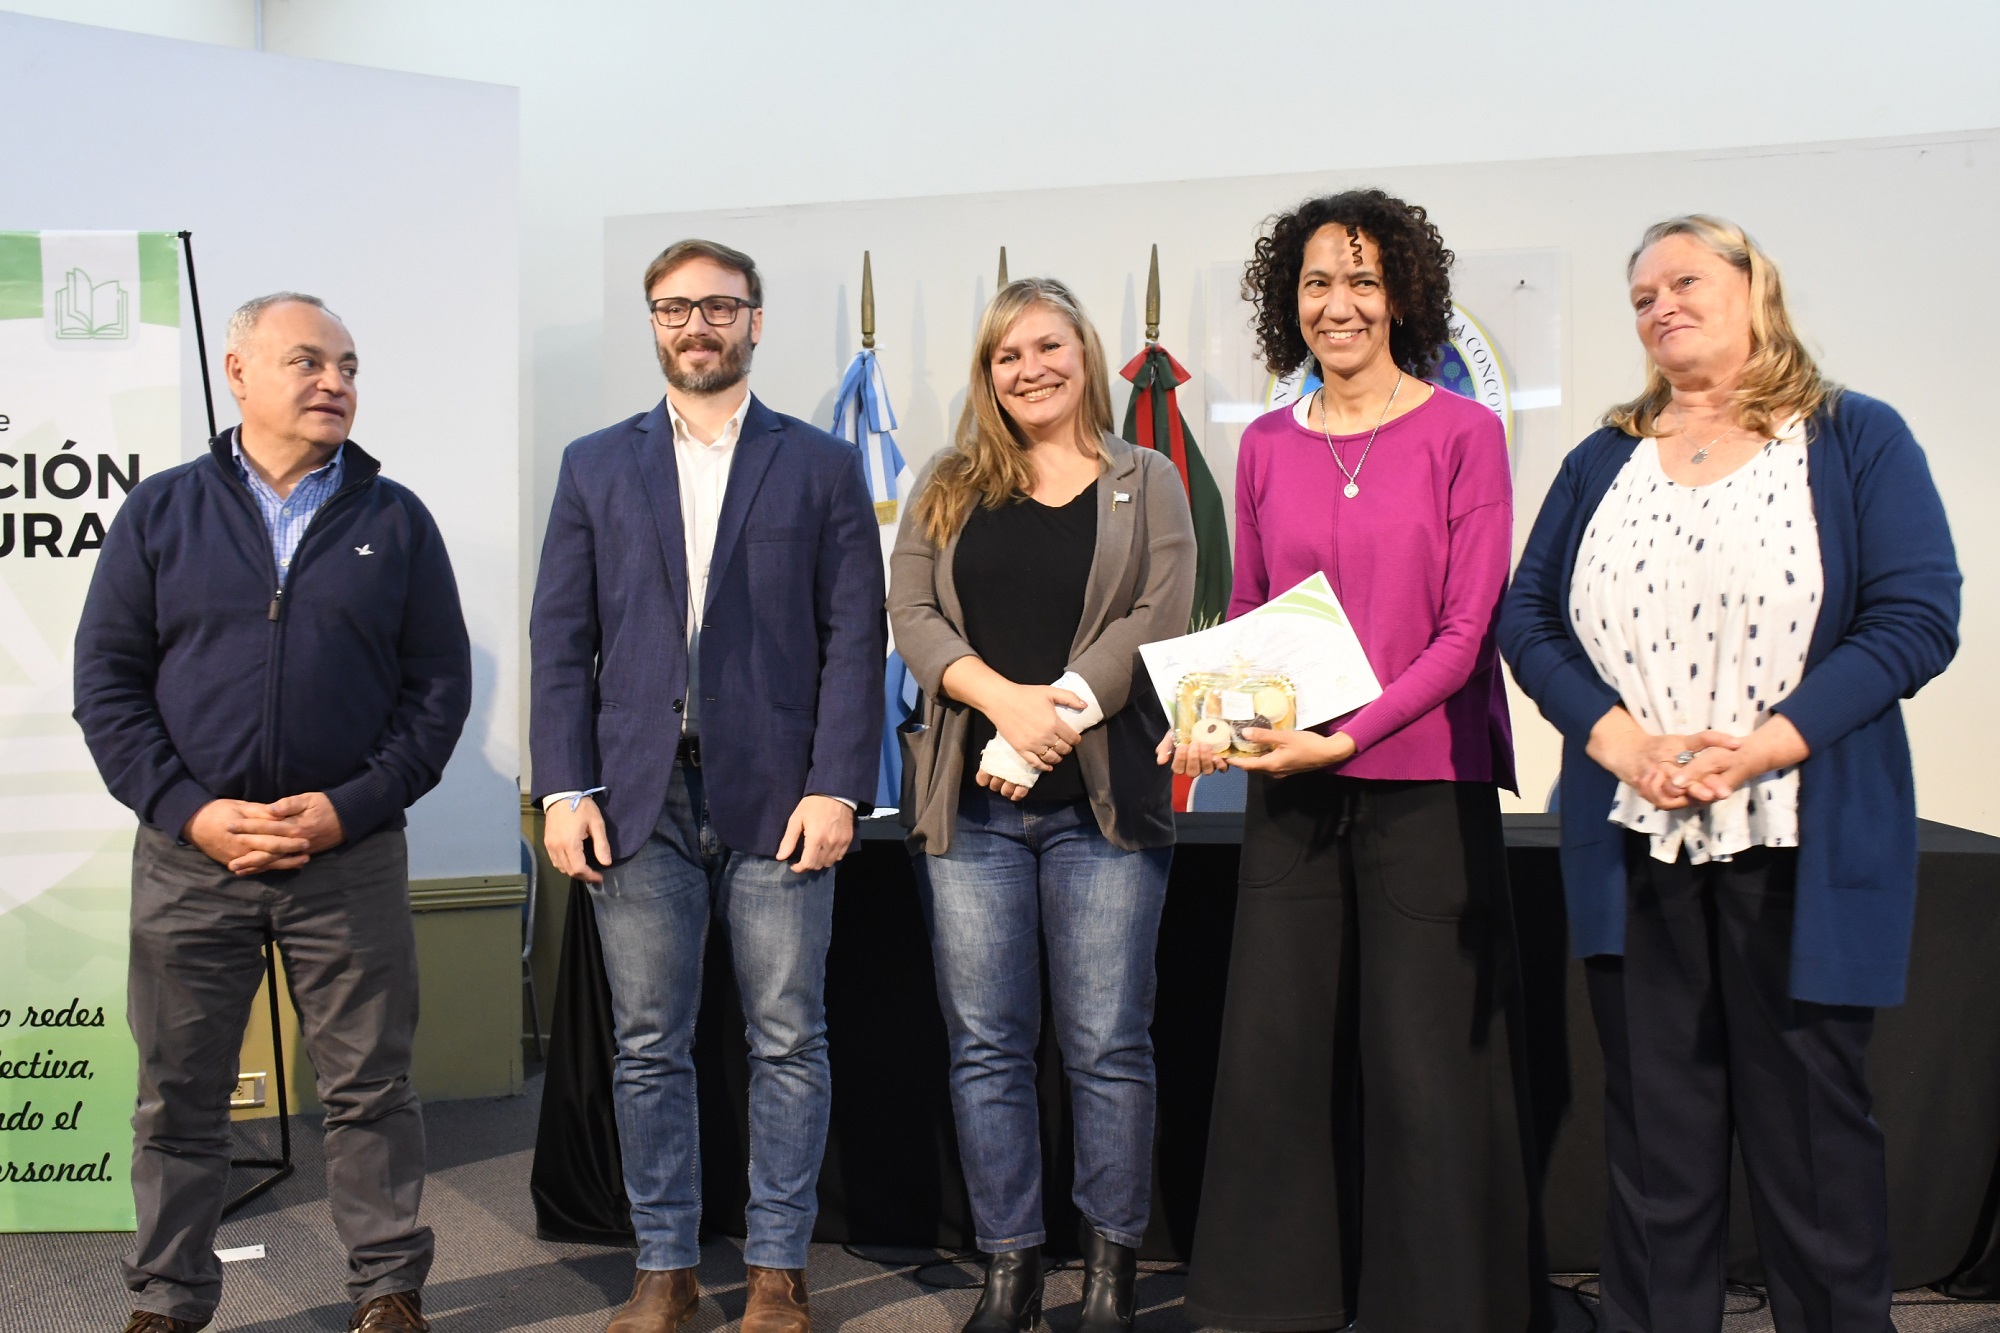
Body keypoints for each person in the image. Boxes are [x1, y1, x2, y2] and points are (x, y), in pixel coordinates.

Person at [1499, 215, 1960, 1333]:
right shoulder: (1602, 458)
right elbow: (1527, 617)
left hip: (1797, 833)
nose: (1660, 305)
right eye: (1640, 296)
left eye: (1684, 281)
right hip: (1634, 833)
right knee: (1655, 1144)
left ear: (1754, 288)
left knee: (1812, 1139)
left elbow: (1915, 616)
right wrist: (1615, 739)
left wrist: (1768, 742)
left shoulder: (1853, 436)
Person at [1173, 190, 1544, 1333]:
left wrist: (1343, 736)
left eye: (1362, 281)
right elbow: (1248, 611)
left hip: (1425, 783)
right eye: (1316, 284)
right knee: (1274, 1058)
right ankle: (1272, 1302)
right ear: (1289, 304)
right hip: (1288, 788)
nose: (1338, 305)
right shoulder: (1264, 444)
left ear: (1402, 297)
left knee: (1424, 1066)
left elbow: (1463, 633)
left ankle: (1436, 1307)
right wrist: (1207, 719)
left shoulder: (1462, 434)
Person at [74, 293, 471, 1333]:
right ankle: (166, 1301)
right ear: (238, 372)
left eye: (349, 365)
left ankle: (387, 1292)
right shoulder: (161, 513)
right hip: (190, 856)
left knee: (370, 1089)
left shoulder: (396, 520)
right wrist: (189, 810)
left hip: (347, 855)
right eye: (308, 361)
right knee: (178, 1092)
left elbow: (437, 694)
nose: (335, 381)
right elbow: (107, 685)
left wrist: (349, 807)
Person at [532, 239, 884, 1333]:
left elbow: (854, 636)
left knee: (787, 1038)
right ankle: (665, 1267)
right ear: (653, 322)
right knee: (648, 1045)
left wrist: (838, 786)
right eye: (674, 307)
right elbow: (561, 640)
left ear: (754, 321)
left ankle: (777, 1269)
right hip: (636, 803)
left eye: (719, 307)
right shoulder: (594, 464)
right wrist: (563, 789)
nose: (697, 325)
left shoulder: (820, 464)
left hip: (781, 801)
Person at [888, 278, 1195, 1333]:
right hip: (969, 815)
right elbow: (912, 612)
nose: (1030, 369)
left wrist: (1047, 720)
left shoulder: (1147, 477)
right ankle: (1008, 1268)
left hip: (1103, 814)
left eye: (1048, 346)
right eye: (1007, 354)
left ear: (1085, 354)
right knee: (986, 1046)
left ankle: (1108, 1277)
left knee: (1107, 1045)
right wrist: (1003, 703)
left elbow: (1159, 611)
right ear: (987, 373)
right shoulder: (946, 483)